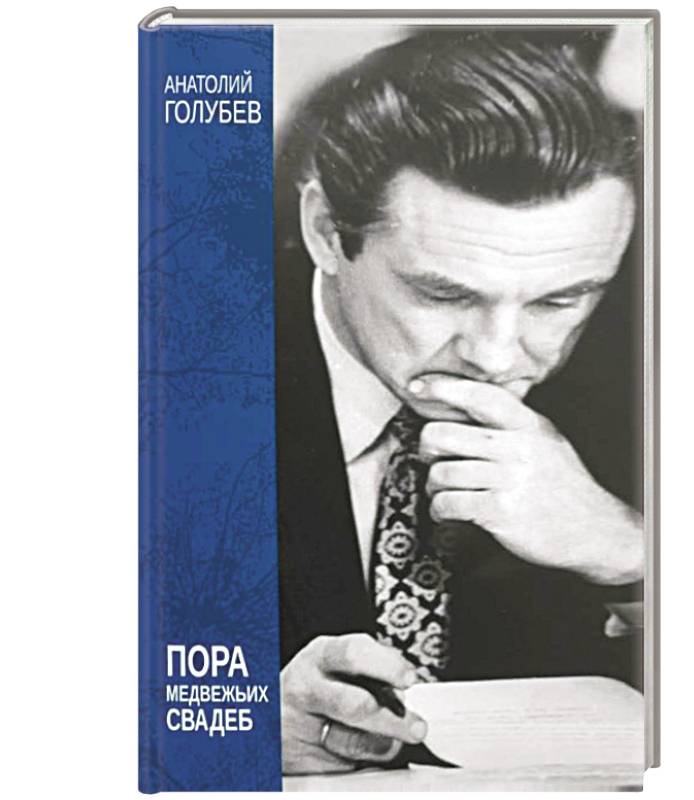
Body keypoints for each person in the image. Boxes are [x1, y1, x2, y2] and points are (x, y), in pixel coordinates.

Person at [274, 28, 644, 775]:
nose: (498, 356)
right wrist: (206, 727)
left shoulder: (665, 370)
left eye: (560, 300)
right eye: (443, 294)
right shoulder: (164, 369)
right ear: (325, 232)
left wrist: (630, 552)